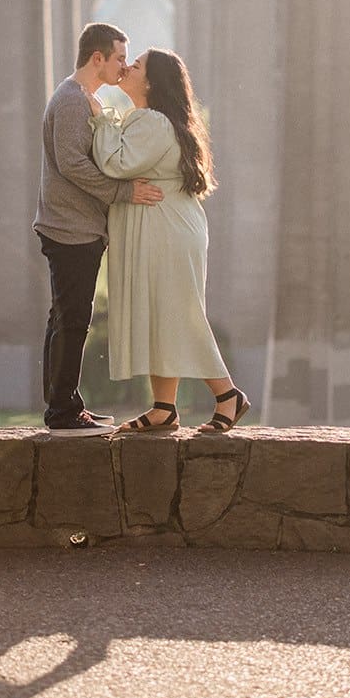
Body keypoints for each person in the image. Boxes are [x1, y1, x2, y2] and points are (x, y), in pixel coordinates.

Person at [89, 48, 250, 434]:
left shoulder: (152, 122)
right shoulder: (158, 121)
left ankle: (228, 395)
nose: (127, 67)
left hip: (168, 231)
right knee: (164, 315)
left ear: (151, 82)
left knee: (179, 314)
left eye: (137, 64)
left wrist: (102, 118)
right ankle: (164, 408)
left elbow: (116, 162)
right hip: (171, 227)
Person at [34, 22, 164, 433]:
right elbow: (72, 164)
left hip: (73, 225)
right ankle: (63, 413)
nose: (123, 67)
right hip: (70, 228)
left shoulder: (80, 98)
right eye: (120, 58)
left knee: (64, 317)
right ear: (98, 58)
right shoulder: (72, 99)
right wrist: (124, 192)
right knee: (73, 319)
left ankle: (64, 403)